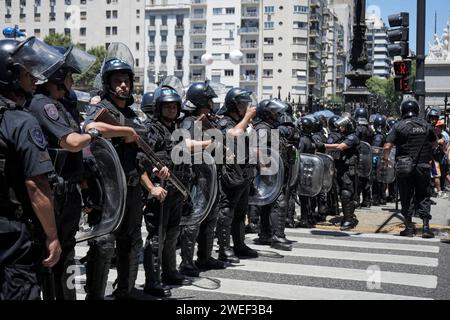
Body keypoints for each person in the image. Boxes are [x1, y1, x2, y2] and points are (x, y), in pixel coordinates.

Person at [82, 49, 159, 300]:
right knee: (104, 244)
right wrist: (123, 132)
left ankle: (125, 291)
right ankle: (95, 295)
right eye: (117, 81)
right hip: (107, 189)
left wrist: (153, 168)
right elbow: (90, 127)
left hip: (133, 187)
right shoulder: (100, 108)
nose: (123, 85)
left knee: (131, 242)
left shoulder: (135, 115)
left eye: (126, 80)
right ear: (107, 83)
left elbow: (142, 151)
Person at [26, 45, 97, 300]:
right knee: (53, 255)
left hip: (68, 189)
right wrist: (95, 132)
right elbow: (72, 142)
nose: (72, 81)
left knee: (66, 253)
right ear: (57, 77)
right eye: (69, 75)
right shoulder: (43, 105)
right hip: (55, 192)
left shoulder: (59, 105)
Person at [0, 37, 62, 300]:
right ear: (11, 75)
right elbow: (36, 185)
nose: (34, 79)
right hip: (13, 234)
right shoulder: (22, 121)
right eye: (27, 72)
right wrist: (52, 235)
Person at [142, 86, 192, 297]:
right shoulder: (151, 129)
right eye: (167, 106)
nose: (171, 110)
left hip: (177, 190)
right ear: (158, 108)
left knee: (172, 234)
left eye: (174, 106)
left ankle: (170, 271)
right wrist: (153, 184)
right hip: (160, 192)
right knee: (156, 237)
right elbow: (142, 158)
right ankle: (153, 281)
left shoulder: (176, 129)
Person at [177, 82, 227, 278]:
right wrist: (211, 141)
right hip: (196, 177)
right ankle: (187, 262)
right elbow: (185, 144)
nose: (211, 105)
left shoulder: (206, 120)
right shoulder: (190, 121)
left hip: (210, 176)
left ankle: (205, 257)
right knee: (194, 218)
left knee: (211, 216)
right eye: (208, 101)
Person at [215, 88, 258, 263]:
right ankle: (224, 248)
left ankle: (239, 245)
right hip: (229, 175)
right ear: (233, 105)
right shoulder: (225, 121)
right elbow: (233, 135)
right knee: (226, 211)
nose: (246, 107)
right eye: (242, 104)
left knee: (241, 212)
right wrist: (247, 117)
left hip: (243, 174)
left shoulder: (242, 123)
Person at [384, 99, 438, 238]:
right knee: (424, 195)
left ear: (402, 110)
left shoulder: (399, 126)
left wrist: (386, 159)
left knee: (406, 196)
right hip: (423, 166)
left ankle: (408, 228)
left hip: (404, 166)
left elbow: (387, 146)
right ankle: (425, 227)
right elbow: (434, 144)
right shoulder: (426, 125)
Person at [253, 99, 292, 251]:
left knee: (267, 204)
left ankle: (265, 234)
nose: (277, 115)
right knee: (279, 202)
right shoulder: (262, 128)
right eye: (274, 112)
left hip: (274, 172)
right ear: (267, 114)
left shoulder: (270, 127)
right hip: (268, 172)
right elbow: (260, 151)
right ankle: (277, 236)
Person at [325, 116, 360, 231]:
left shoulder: (352, 137)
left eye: (343, 126)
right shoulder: (343, 136)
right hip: (341, 169)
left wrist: (323, 145)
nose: (341, 128)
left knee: (346, 194)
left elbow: (341, 147)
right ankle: (348, 214)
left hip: (348, 170)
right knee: (342, 193)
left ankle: (348, 220)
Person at [354, 107, 374, 208]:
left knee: (357, 179)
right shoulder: (370, 130)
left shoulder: (357, 128)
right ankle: (367, 200)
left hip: (358, 156)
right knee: (366, 178)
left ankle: (356, 200)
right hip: (368, 157)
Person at [371, 115, 388, 206]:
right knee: (381, 179)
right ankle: (382, 198)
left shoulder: (378, 136)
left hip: (377, 159)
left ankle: (376, 199)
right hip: (382, 159)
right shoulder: (384, 134)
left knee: (376, 179)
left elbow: (376, 149)